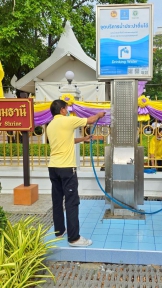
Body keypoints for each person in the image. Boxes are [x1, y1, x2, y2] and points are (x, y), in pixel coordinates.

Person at [47, 99, 105, 247]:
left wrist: (83, 139)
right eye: (66, 108)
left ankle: (59, 231)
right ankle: (74, 238)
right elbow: (90, 120)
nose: (68, 110)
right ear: (61, 110)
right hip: (67, 168)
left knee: (57, 200)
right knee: (72, 202)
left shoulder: (51, 125)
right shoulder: (67, 120)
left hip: (53, 168)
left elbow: (66, 140)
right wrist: (99, 115)